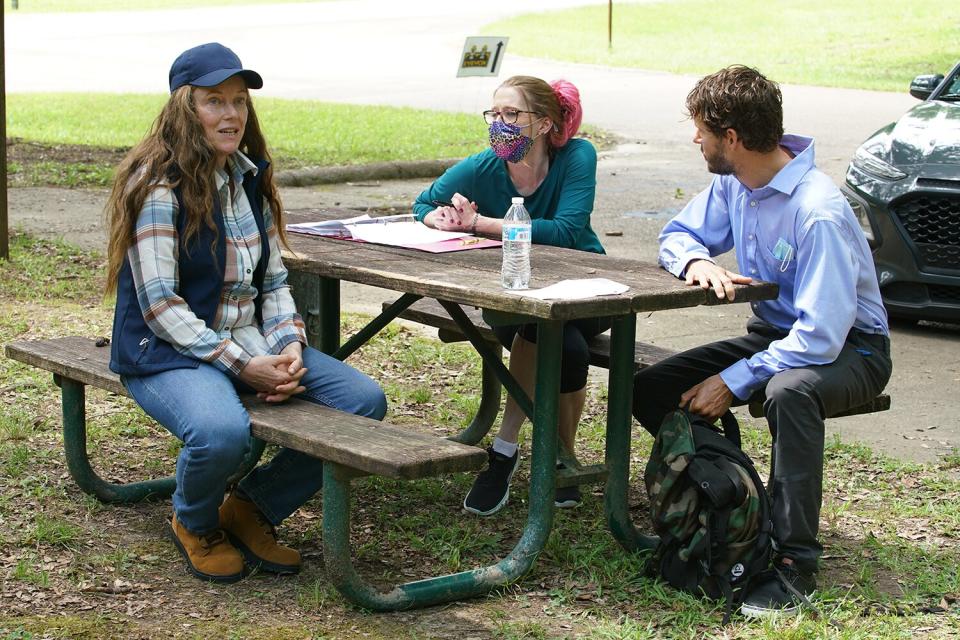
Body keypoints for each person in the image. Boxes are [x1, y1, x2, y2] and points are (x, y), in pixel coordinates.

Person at [104, 43, 387, 584]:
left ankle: (251, 508)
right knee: (221, 431)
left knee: (362, 402)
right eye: (214, 102)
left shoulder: (245, 177)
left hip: (246, 341)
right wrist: (243, 366)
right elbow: (161, 305)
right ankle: (195, 522)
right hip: (165, 352)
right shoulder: (157, 185)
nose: (231, 115)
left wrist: (288, 346)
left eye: (239, 102)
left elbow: (275, 281)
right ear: (184, 109)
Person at [632, 65, 892, 618]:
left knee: (788, 392)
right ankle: (740, 505)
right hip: (776, 337)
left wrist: (733, 381)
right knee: (653, 388)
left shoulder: (816, 211)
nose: (694, 138)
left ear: (731, 138)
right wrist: (697, 259)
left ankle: (795, 563)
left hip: (853, 350)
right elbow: (676, 235)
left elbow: (821, 338)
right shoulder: (735, 182)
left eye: (701, 129)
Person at [412, 76, 605, 516]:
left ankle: (507, 448)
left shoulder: (577, 155)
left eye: (511, 114)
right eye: (494, 114)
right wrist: (441, 219)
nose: (499, 124)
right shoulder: (484, 166)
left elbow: (567, 231)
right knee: (565, 345)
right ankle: (558, 459)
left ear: (542, 123)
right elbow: (422, 203)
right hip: (508, 292)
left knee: (552, 331)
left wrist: (481, 225)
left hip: (586, 287)